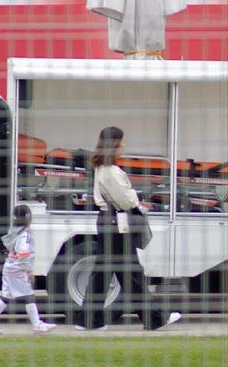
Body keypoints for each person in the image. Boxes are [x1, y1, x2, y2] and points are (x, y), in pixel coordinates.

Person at [74, 126, 181, 330]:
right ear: (114, 145)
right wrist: (135, 195)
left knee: (104, 273)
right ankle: (154, 319)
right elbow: (127, 201)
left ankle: (89, 320)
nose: (124, 145)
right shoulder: (111, 171)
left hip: (108, 222)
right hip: (118, 224)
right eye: (121, 141)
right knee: (130, 273)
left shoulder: (101, 168)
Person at [0, 205, 56, 335]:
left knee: (5, 297)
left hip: (8, 267)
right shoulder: (25, 234)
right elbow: (24, 253)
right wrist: (28, 272)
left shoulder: (14, 231)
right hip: (18, 269)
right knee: (29, 296)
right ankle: (37, 325)